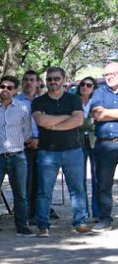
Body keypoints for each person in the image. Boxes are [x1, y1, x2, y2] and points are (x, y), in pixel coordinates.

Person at [31, 67, 90, 235]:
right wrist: (66, 117)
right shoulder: (38, 101)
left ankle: (80, 222)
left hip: (73, 151)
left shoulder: (73, 99)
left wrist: (53, 125)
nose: (53, 82)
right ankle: (43, 225)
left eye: (56, 78)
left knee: (77, 189)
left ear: (63, 79)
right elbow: (41, 121)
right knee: (44, 191)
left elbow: (78, 121)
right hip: (47, 152)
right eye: (49, 79)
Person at [0, 75, 34, 237]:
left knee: (20, 194)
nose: (5, 90)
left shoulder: (23, 108)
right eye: (2, 86)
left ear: (15, 91)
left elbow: (26, 130)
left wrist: (19, 143)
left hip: (18, 156)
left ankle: (22, 226)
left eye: (9, 88)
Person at [89, 61, 118, 230]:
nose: (108, 77)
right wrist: (104, 114)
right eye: (106, 75)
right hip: (105, 146)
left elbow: (104, 113)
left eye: (112, 73)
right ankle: (105, 218)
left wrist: (107, 113)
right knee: (103, 184)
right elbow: (97, 114)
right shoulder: (99, 92)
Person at [75, 77, 99, 220]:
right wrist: (89, 122)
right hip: (77, 143)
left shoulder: (97, 101)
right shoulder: (73, 100)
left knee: (97, 179)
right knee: (79, 179)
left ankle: (97, 213)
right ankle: (83, 214)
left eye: (89, 85)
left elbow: (97, 121)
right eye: (82, 84)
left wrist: (81, 122)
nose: (85, 87)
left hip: (94, 142)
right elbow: (73, 121)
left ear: (93, 87)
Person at [19, 70, 42, 212]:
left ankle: (37, 213)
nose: (28, 83)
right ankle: (25, 215)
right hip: (23, 146)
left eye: (32, 80)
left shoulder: (44, 101)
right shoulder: (16, 102)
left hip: (43, 145)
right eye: (26, 79)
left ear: (37, 83)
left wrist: (39, 140)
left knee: (40, 182)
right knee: (25, 182)